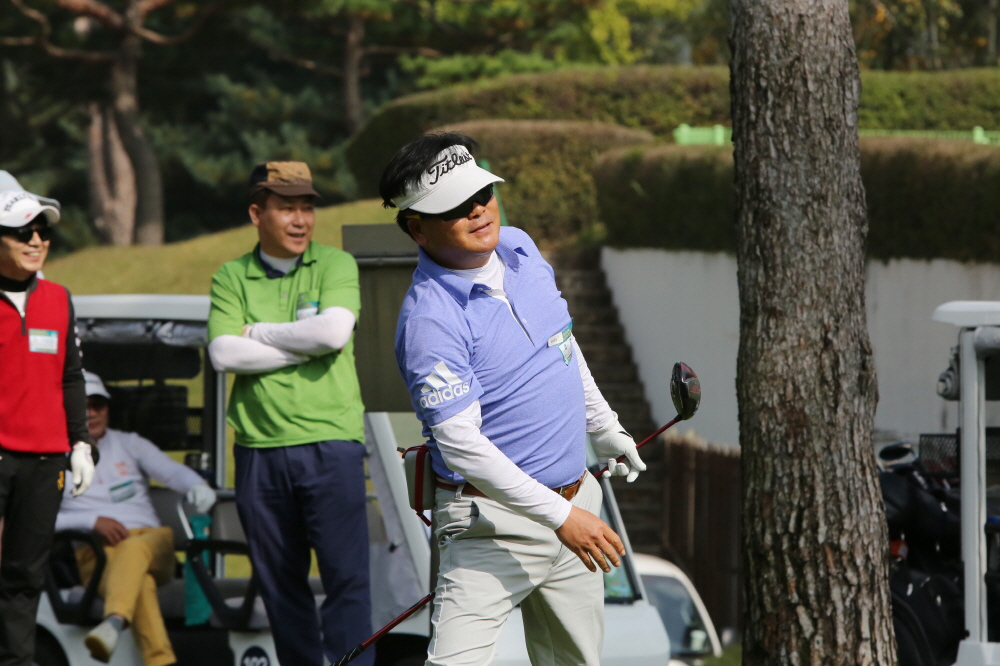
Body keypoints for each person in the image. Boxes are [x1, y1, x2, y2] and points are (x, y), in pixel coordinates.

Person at [381, 133, 647, 666]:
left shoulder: (520, 246)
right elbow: (461, 446)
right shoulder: (430, 319)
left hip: (576, 503)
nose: (478, 210)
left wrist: (603, 426)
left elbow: (561, 343)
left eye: (482, 193)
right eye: (455, 206)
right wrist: (560, 516)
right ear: (417, 228)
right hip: (489, 523)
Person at [206, 161, 370, 666]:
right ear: (257, 214)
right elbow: (223, 355)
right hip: (259, 451)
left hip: (332, 445)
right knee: (279, 584)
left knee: (347, 579)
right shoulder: (231, 275)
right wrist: (304, 347)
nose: (301, 220)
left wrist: (257, 332)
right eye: (287, 208)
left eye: (306, 208)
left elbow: (332, 334)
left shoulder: (335, 264)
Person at [0, 173, 98, 666]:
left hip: (45, 461)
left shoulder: (59, 298)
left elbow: (71, 376)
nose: (36, 240)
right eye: (23, 231)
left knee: (24, 577)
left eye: (42, 230)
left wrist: (81, 444)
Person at [55, 371, 217, 665]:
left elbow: (170, 471)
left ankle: (114, 621)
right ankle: (156, 657)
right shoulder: (53, 457)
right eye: (82, 406)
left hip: (152, 543)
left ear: (107, 408)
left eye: (98, 405)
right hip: (97, 556)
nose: (91, 413)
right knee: (142, 584)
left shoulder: (129, 443)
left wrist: (197, 485)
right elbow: (39, 520)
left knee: (133, 547)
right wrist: (92, 522)